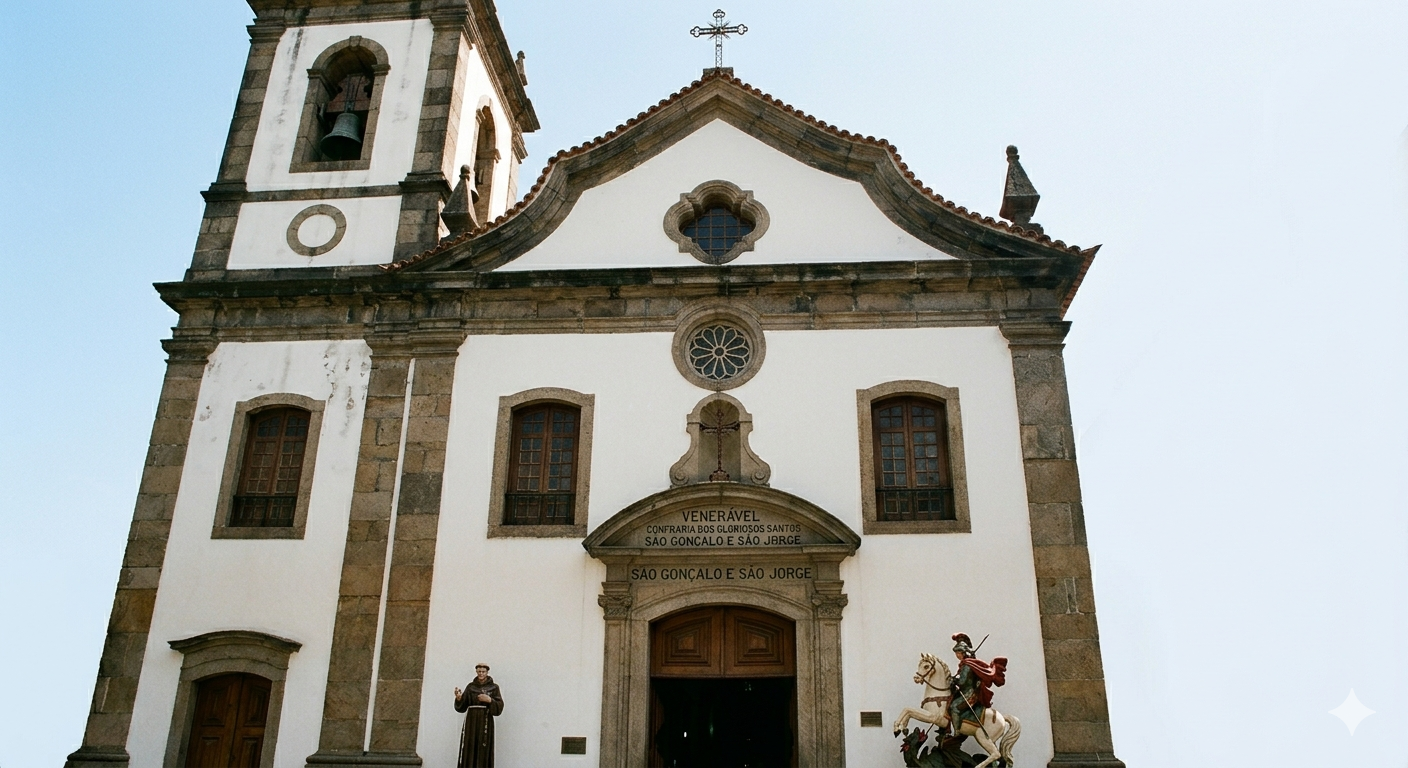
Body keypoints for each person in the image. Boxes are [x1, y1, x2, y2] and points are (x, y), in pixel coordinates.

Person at [948, 633, 1006, 735]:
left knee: (954, 706)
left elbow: (962, 681)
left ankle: (957, 731)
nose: (957, 655)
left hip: (969, 693)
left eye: (958, 653)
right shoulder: (966, 664)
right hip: (966, 690)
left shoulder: (967, 665)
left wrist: (954, 681)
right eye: (956, 653)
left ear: (963, 653)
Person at [454, 664, 504, 768]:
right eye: (479, 671)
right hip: (471, 721)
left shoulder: (494, 687)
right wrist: (459, 698)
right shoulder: (471, 687)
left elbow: (499, 706)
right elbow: (463, 706)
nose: (481, 673)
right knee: (470, 745)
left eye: (483, 671)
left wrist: (490, 700)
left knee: (483, 745)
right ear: (476, 672)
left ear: (487, 673)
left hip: (485, 720)